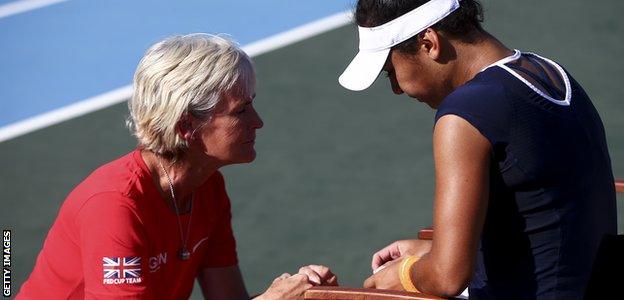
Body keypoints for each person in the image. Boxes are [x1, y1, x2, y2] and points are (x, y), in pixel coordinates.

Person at [17, 33, 337, 299]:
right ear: (186, 126)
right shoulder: (114, 205)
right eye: (241, 111)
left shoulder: (207, 187)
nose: (259, 122)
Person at [338, 0, 617, 298]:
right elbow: (548, 216)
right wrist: (435, 251)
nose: (396, 89)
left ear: (429, 43)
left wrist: (404, 272)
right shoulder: (550, 73)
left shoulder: (464, 115)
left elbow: (447, 278)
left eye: (390, 71)